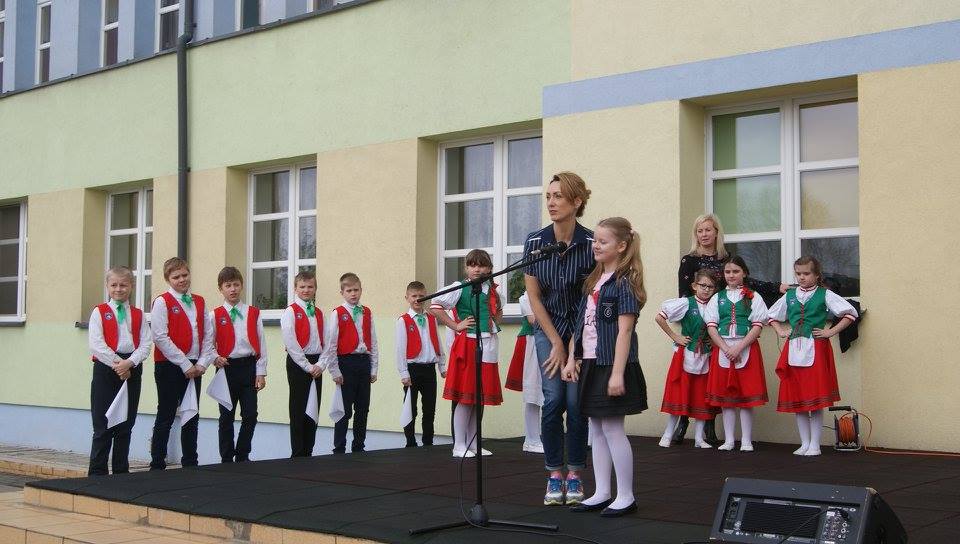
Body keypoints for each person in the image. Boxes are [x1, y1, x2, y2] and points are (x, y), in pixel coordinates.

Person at [672, 214, 787, 445]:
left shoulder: (727, 260)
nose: (704, 235)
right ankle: (683, 421)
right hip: (700, 326)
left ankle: (710, 428)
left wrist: (776, 287)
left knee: (713, 380)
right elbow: (685, 295)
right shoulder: (689, 260)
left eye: (708, 230)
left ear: (716, 232)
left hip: (721, 327)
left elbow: (746, 282)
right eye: (699, 231)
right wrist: (692, 327)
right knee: (691, 376)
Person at [564, 217, 646, 518]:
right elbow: (581, 325)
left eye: (603, 241)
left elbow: (625, 331)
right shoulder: (593, 281)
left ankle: (626, 495)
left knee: (612, 428)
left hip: (612, 364)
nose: (595, 246)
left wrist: (617, 373)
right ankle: (602, 491)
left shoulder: (624, 283)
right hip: (590, 362)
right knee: (596, 428)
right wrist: (572, 358)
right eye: (595, 241)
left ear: (621, 246)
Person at [523, 172, 595, 506]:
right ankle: (554, 474)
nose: (551, 203)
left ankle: (575, 473)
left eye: (558, 196)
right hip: (547, 328)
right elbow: (534, 297)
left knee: (576, 403)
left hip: (582, 330)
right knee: (553, 401)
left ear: (576, 201)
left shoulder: (592, 244)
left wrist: (573, 346)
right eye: (548, 196)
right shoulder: (534, 243)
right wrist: (555, 342)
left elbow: (590, 300)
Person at [768, 256, 858, 456]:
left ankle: (815, 444)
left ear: (817, 275)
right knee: (799, 398)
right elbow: (771, 315)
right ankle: (804, 443)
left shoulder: (824, 294)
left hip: (816, 348)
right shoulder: (790, 296)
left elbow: (850, 313)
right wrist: (781, 331)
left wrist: (830, 332)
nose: (802, 277)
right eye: (798, 274)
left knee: (815, 399)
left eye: (806, 273)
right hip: (794, 349)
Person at [430, 249, 503, 458]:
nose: (477, 269)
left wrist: (493, 322)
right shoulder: (460, 288)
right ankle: (459, 444)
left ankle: (474, 443)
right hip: (468, 343)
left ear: (489, 268)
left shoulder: (493, 290)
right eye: (472, 265)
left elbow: (498, 312)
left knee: (478, 398)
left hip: (487, 344)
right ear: (466, 268)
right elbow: (435, 305)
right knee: (465, 397)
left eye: (481, 265)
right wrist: (456, 325)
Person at [87, 267, 153, 475]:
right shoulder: (99, 312)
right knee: (103, 424)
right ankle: (97, 474)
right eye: (114, 285)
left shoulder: (138, 314)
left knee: (125, 424)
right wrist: (119, 364)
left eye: (123, 285)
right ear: (107, 286)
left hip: (132, 370)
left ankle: (121, 474)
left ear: (131, 286)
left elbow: (146, 344)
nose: (118, 289)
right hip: (106, 370)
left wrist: (130, 363)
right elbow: (96, 345)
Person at [703, 256, 769, 452]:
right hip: (723, 348)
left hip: (746, 347)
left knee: (746, 398)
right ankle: (729, 440)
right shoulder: (717, 298)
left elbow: (757, 326)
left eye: (735, 271)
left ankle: (746, 440)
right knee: (726, 399)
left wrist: (738, 348)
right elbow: (711, 326)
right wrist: (726, 349)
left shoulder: (754, 296)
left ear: (744, 273)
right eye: (727, 272)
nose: (731, 275)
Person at [202, 267, 267, 463]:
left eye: (236, 285)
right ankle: (226, 457)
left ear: (242, 286)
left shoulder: (253, 313)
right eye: (228, 285)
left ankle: (242, 454)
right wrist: (215, 357)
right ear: (221, 289)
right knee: (226, 416)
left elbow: (261, 343)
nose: (233, 289)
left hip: (248, 367)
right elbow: (207, 343)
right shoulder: (215, 315)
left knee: (250, 414)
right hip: (226, 368)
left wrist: (261, 371)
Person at [150, 257, 209, 470]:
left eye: (185, 275)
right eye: (176, 277)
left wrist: (202, 363)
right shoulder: (162, 302)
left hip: (195, 366)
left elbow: (208, 335)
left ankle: (190, 462)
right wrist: (184, 364)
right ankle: (157, 463)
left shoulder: (199, 301)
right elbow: (160, 337)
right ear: (168, 279)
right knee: (166, 414)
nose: (182, 279)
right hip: (169, 365)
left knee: (191, 414)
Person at [655, 268, 719, 449]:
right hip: (685, 355)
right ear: (694, 286)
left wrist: (714, 341)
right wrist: (675, 336)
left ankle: (699, 438)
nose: (706, 289)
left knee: (701, 396)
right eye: (703, 285)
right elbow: (659, 318)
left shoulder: (715, 305)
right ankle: (667, 434)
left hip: (705, 355)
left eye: (710, 287)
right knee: (679, 394)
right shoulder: (686, 303)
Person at [322, 272, 379, 454]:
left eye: (356, 290)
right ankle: (339, 448)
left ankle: (359, 446)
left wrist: (374, 367)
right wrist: (334, 371)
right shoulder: (337, 313)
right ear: (342, 293)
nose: (353, 294)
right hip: (346, 363)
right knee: (344, 409)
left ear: (361, 290)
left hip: (363, 362)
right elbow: (331, 344)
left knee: (363, 408)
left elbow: (373, 341)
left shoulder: (367, 312)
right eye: (349, 291)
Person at [395, 281, 446, 447]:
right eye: (414, 296)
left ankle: (428, 442)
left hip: (429, 369)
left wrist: (442, 365)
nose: (418, 299)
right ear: (407, 298)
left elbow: (437, 342)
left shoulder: (431, 318)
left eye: (421, 296)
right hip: (412, 369)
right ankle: (410, 442)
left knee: (429, 408)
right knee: (411, 408)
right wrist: (403, 373)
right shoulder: (403, 320)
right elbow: (400, 349)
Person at [280, 270, 324, 457]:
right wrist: (307, 366)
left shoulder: (319, 313)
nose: (306, 290)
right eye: (302, 287)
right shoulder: (290, 311)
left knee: (314, 407)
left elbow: (327, 342)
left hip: (317, 364)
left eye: (310, 287)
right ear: (295, 289)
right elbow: (291, 343)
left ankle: (309, 450)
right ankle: (297, 453)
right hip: (299, 364)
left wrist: (321, 364)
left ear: (315, 289)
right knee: (298, 408)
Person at [504, 292, 544, 453]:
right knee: (533, 392)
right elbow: (533, 320)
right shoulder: (527, 297)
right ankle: (532, 439)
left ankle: (543, 437)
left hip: (550, 342)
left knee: (550, 393)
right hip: (532, 342)